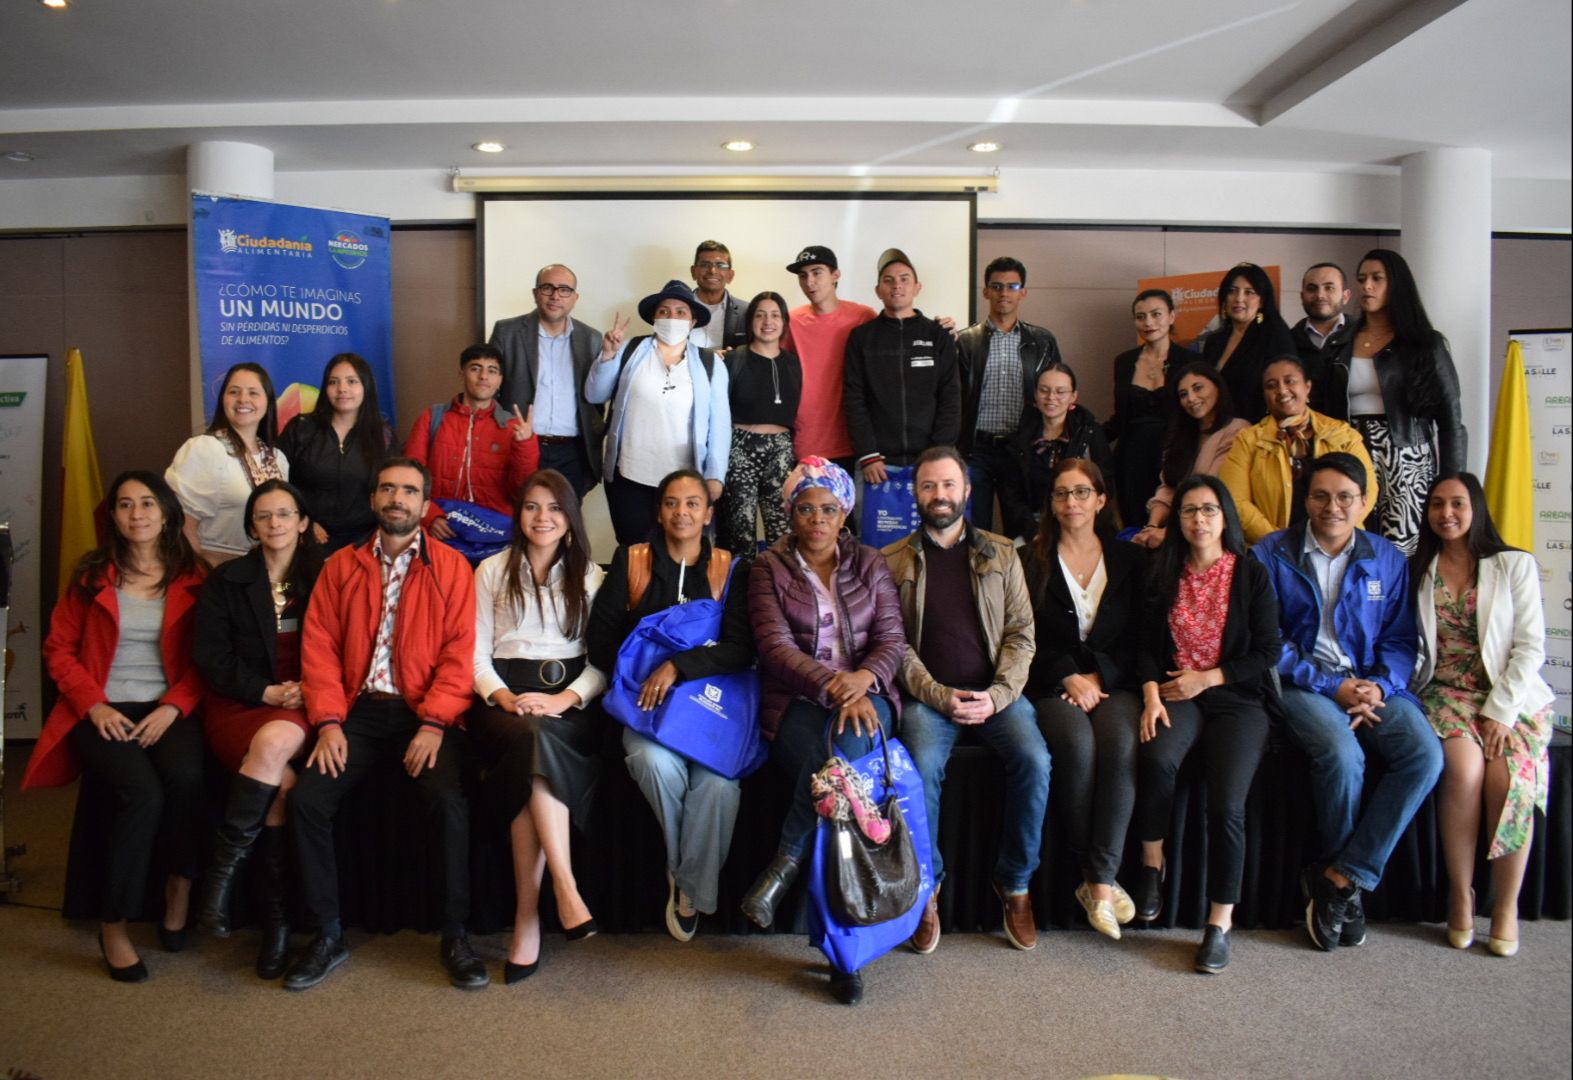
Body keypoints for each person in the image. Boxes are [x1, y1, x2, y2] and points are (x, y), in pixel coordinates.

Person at [285, 457, 485, 991]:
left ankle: (455, 934)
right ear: (374, 500)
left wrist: (435, 723)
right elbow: (319, 650)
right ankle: (327, 934)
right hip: (357, 712)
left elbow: (459, 655)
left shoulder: (451, 568)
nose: (397, 498)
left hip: (426, 715)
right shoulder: (338, 566)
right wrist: (328, 723)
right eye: (388, 489)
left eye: (409, 491)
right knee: (307, 800)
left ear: (424, 504)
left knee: (447, 801)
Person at [1251, 453, 1442, 953]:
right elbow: (1268, 641)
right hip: (1302, 685)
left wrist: (1379, 686)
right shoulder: (1271, 553)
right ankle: (1346, 890)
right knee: (1341, 755)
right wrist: (1330, 686)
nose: (1331, 507)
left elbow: (1401, 640)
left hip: (1371, 684)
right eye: (1320, 495)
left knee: (1424, 755)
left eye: (1343, 497)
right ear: (1305, 500)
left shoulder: (1387, 558)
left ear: (1362, 502)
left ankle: (1339, 878)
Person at [24, 471, 207, 982]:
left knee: (188, 778)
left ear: (167, 512)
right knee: (142, 795)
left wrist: (173, 706)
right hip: (102, 707)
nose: (137, 514)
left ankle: (180, 883)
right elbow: (58, 651)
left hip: (168, 706)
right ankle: (115, 922)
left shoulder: (194, 575)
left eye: (148, 503)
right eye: (125, 505)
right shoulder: (90, 576)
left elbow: (206, 659)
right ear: (114, 517)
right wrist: (94, 705)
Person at [741, 457, 907, 1005]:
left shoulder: (870, 561)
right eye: (805, 508)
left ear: (844, 514)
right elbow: (775, 649)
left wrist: (861, 682)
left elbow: (891, 638)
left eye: (828, 509)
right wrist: (836, 688)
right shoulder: (768, 567)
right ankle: (845, 953)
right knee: (839, 780)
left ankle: (785, 865)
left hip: (870, 701)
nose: (816, 518)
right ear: (790, 513)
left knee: (836, 771)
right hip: (798, 704)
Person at [883, 446, 1047, 954]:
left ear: (967, 490)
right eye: (929, 486)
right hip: (928, 699)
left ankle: (1015, 883)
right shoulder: (891, 560)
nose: (939, 495)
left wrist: (997, 697)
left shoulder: (1002, 553)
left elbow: (1022, 635)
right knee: (922, 767)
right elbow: (894, 644)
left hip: (997, 696)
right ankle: (927, 889)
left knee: (1035, 760)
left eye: (948, 485)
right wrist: (938, 694)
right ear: (915, 494)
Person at [586, 470, 755, 943]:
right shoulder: (633, 561)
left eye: (692, 504)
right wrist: (646, 672)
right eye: (672, 503)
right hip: (645, 707)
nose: (682, 512)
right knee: (647, 759)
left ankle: (682, 877)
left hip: (709, 709)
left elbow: (742, 647)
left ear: (708, 513)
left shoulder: (730, 568)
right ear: (658, 512)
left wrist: (679, 666)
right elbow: (600, 640)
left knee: (722, 788)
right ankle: (694, 877)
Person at [1134, 476, 1281, 973]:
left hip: (1236, 699)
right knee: (1155, 756)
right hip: (1177, 692)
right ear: (1178, 520)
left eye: (1210, 510)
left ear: (1225, 518)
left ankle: (1219, 923)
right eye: (1190, 510)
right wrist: (1152, 691)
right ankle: (1152, 865)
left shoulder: (1250, 574)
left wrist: (1209, 678)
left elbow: (1267, 651)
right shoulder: (1162, 572)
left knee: (1226, 805)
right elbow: (1141, 646)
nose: (1199, 519)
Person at [1411, 473, 1555, 957]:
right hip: (1447, 693)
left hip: (1510, 697)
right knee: (1464, 771)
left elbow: (1530, 647)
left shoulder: (1513, 564)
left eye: (1457, 503)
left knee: (1509, 779)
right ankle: (1460, 892)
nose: (1445, 513)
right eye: (1436, 504)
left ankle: (1507, 905)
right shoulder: (1418, 567)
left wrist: (1499, 712)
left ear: (1476, 508)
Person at [471, 470, 604, 981]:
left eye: (553, 508)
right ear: (518, 514)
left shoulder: (592, 576)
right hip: (501, 705)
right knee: (528, 742)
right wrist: (504, 698)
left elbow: (601, 663)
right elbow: (475, 654)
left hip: (567, 707)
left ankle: (528, 918)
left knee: (535, 751)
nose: (541, 517)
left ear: (569, 519)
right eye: (531, 506)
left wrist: (563, 699)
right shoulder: (490, 570)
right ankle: (566, 891)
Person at [191, 479, 322, 979]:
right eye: (264, 516)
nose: (275, 524)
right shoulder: (228, 581)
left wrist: (307, 689)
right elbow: (212, 657)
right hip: (239, 703)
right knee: (281, 784)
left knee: (276, 740)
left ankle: (222, 883)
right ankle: (277, 923)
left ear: (303, 521)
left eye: (285, 514)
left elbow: (345, 645)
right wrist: (265, 693)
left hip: (306, 702)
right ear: (251, 525)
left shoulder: (327, 575)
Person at [1024, 458, 1145, 939]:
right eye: (1060, 494)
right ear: (1051, 503)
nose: (1070, 503)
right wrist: (1067, 676)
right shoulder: (1029, 560)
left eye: (1080, 493)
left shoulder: (1132, 560)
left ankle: (1098, 881)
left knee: (1118, 745)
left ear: (1100, 499)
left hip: (1116, 681)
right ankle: (1093, 873)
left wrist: (1099, 674)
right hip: (1052, 683)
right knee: (1076, 746)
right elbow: (1022, 636)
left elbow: (1143, 637)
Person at [1312, 248, 1468, 555]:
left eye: (1376, 279)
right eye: (1361, 279)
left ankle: (1403, 603)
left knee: (1402, 548)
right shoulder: (1340, 342)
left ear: (1396, 285)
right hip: (1351, 448)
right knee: (1348, 539)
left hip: (1405, 455)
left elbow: (1451, 419)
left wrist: (1453, 480)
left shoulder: (1424, 343)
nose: (1366, 286)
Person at [584, 281, 732, 547]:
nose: (671, 317)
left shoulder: (710, 364)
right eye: (664, 311)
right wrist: (607, 355)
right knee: (634, 550)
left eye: (680, 312)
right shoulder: (629, 350)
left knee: (679, 551)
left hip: (684, 480)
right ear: (654, 317)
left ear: (693, 320)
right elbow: (595, 394)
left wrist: (715, 475)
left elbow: (720, 426)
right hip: (630, 475)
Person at [1219, 354, 1376, 544]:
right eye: (1271, 385)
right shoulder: (1248, 440)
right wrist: (1279, 544)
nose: (1282, 390)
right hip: (1272, 553)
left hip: (1339, 546)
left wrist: (1335, 533)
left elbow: (1368, 490)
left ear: (1307, 387)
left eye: (1290, 381)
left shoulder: (1342, 434)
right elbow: (1235, 500)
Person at [956, 256, 1064, 531]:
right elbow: (953, 398)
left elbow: (1056, 391)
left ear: (1023, 292)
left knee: (1022, 527)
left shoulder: (1041, 341)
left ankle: (1017, 576)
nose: (1004, 293)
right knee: (974, 527)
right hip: (976, 449)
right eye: (997, 286)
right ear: (986, 291)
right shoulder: (966, 341)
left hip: (1022, 448)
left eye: (1012, 286)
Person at [843, 250, 961, 485]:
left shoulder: (938, 335)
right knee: (874, 524)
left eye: (904, 279)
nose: (897, 285)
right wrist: (868, 454)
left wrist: (939, 454)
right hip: (877, 465)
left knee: (931, 523)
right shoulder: (861, 338)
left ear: (917, 287)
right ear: (878, 291)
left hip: (929, 463)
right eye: (888, 280)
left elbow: (951, 397)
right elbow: (854, 398)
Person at [488, 264, 607, 498]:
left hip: (572, 452)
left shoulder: (591, 338)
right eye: (547, 288)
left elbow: (596, 398)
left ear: (575, 298)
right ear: (535, 293)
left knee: (566, 521)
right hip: (522, 444)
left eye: (564, 290)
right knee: (519, 516)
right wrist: (504, 429)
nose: (555, 296)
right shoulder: (507, 331)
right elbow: (490, 388)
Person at [405, 343, 540, 541]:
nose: (484, 376)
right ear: (462, 374)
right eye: (475, 368)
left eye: (492, 370)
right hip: (441, 528)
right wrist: (430, 517)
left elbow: (521, 492)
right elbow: (410, 478)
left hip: (494, 532)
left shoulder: (514, 427)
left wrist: (526, 444)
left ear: (500, 380)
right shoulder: (432, 417)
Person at [166, 361, 289, 564]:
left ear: (268, 403)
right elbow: (184, 526)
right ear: (223, 400)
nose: (243, 399)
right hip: (217, 571)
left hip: (265, 570)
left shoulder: (277, 459)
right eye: (234, 392)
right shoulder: (205, 449)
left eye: (253, 393)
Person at [276, 353, 397, 553]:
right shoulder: (301, 428)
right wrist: (302, 520)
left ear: (365, 387)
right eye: (334, 382)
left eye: (351, 381)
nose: (342, 389)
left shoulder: (383, 436)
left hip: (364, 544)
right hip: (308, 540)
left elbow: (391, 489)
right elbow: (277, 482)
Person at [1105, 289, 1202, 528]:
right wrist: (1078, 433)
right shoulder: (1124, 362)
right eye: (1140, 316)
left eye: (1156, 314)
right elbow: (1119, 419)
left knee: (1171, 526)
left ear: (1171, 316)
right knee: (1134, 526)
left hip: (1174, 456)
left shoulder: (1191, 362)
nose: (1148, 322)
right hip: (1130, 457)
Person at [716, 291, 802, 556]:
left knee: (782, 530)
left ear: (784, 322)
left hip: (781, 450)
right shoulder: (733, 359)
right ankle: (741, 593)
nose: (768, 321)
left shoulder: (793, 363)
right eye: (760, 315)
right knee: (740, 529)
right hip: (741, 447)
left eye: (775, 315)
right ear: (750, 320)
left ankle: (778, 592)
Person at [1131, 362, 1249, 550]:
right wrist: (1152, 526)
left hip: (1213, 534)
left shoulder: (1237, 430)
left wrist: (1168, 533)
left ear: (1217, 386)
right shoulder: (1180, 435)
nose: (1191, 398)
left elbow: (1211, 491)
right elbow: (1167, 487)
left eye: (1198, 388)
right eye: (1183, 394)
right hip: (1177, 530)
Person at [780, 245, 876, 469]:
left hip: (854, 441)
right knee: (805, 504)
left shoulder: (863, 317)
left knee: (848, 505)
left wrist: (942, 327)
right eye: (803, 276)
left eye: (817, 272)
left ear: (836, 275)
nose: (809, 282)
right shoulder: (791, 321)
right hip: (805, 440)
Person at [998, 362, 1114, 542]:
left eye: (1060, 392)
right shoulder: (1019, 439)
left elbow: (1105, 485)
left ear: (1073, 397)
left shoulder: (1090, 432)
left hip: (1082, 525)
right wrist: (1034, 531)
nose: (1051, 397)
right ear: (1035, 395)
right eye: (1044, 390)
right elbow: (1011, 496)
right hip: (1033, 529)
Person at [1200, 263, 1298, 424]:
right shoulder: (1214, 341)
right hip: (1217, 428)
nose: (1239, 298)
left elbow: (1286, 390)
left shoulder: (1275, 335)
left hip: (1260, 432)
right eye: (1232, 291)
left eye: (1249, 292)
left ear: (1261, 301)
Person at [1290, 262, 1353, 376]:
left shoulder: (1362, 335)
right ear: (1302, 296)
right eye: (1311, 288)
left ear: (1345, 296)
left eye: (1329, 288)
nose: (1320, 295)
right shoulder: (1288, 341)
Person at [688, 240, 748, 351]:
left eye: (720, 265)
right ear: (693, 271)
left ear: (730, 275)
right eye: (705, 265)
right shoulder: (677, 309)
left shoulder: (747, 312)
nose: (712, 271)